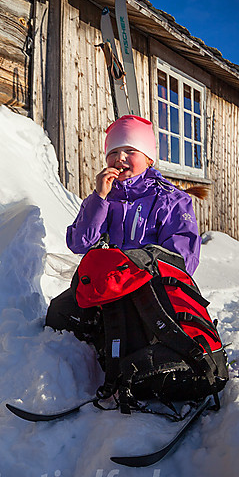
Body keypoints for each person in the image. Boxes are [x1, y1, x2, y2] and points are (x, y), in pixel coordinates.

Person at [46, 115, 205, 335]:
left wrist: (141, 273)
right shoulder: (103, 197)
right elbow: (79, 243)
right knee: (60, 311)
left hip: (149, 287)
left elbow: (181, 260)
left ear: (149, 158)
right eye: (113, 152)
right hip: (107, 286)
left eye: (130, 150)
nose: (120, 158)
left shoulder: (171, 199)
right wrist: (99, 198)